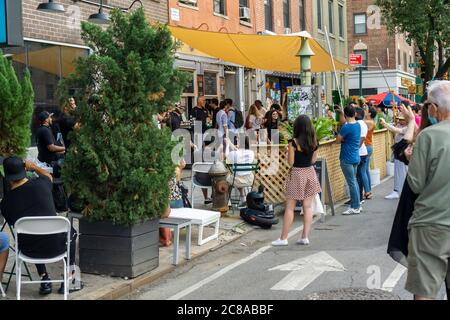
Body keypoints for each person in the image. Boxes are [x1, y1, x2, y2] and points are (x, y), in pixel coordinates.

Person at [0, 156, 81, 295]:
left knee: (30, 234)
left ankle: (44, 278)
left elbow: (14, 223)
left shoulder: (5, 204)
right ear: (25, 170)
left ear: (7, 177)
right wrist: (35, 167)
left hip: (29, 251)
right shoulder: (41, 183)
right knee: (71, 232)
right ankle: (70, 278)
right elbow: (48, 176)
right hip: (57, 246)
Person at [403, 80, 450, 300]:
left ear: (435, 108)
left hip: (431, 224)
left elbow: (416, 184)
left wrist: (412, 160)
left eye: (429, 104)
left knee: (424, 292)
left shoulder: (429, 137)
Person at [272, 115, 321, 246]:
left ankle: (283, 238)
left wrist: (289, 151)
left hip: (297, 174)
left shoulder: (293, 142)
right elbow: (313, 160)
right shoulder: (315, 142)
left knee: (290, 207)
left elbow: (291, 162)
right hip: (310, 173)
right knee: (308, 206)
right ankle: (304, 237)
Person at [336, 105, 362, 215]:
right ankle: (357, 205)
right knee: (354, 181)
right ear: (354, 114)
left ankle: (355, 206)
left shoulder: (346, 127)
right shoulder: (358, 125)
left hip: (346, 157)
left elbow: (338, 140)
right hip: (356, 156)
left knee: (351, 182)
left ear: (345, 115)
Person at [380, 113, 409, 199]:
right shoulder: (400, 125)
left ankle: (398, 191)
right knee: (398, 171)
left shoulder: (408, 127)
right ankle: (398, 190)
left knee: (401, 171)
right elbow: (394, 130)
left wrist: (385, 124)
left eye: (402, 119)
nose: (400, 121)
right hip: (398, 149)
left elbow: (396, 130)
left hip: (402, 150)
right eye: (399, 119)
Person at [225, 137, 255, 205]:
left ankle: (227, 201)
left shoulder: (234, 153)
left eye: (238, 141)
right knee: (238, 175)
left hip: (237, 180)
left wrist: (227, 145)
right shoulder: (251, 153)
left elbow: (226, 156)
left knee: (226, 179)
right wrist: (230, 143)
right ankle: (243, 198)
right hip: (249, 180)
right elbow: (239, 152)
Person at [361, 107, 377, 200]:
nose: (364, 112)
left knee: (363, 170)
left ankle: (367, 191)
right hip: (368, 147)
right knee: (366, 170)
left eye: (366, 111)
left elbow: (358, 121)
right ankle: (368, 190)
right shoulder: (368, 121)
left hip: (366, 147)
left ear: (370, 114)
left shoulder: (370, 122)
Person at [355, 108, 369, 205]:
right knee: (360, 175)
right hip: (363, 152)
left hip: (359, 152)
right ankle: (360, 196)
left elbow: (362, 138)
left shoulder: (359, 124)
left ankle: (359, 197)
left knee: (358, 176)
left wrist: (355, 148)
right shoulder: (363, 123)